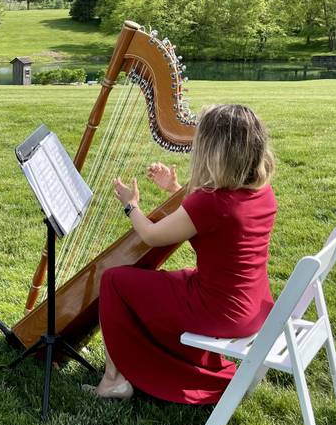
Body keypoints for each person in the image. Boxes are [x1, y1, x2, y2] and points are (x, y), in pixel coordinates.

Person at [85, 103, 278, 404]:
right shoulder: (260, 192)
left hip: (218, 311)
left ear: (213, 151)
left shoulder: (211, 203)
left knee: (114, 281)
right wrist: (175, 187)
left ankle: (113, 381)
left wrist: (130, 205)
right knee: (163, 282)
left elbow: (151, 236)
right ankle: (144, 361)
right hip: (253, 307)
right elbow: (214, 232)